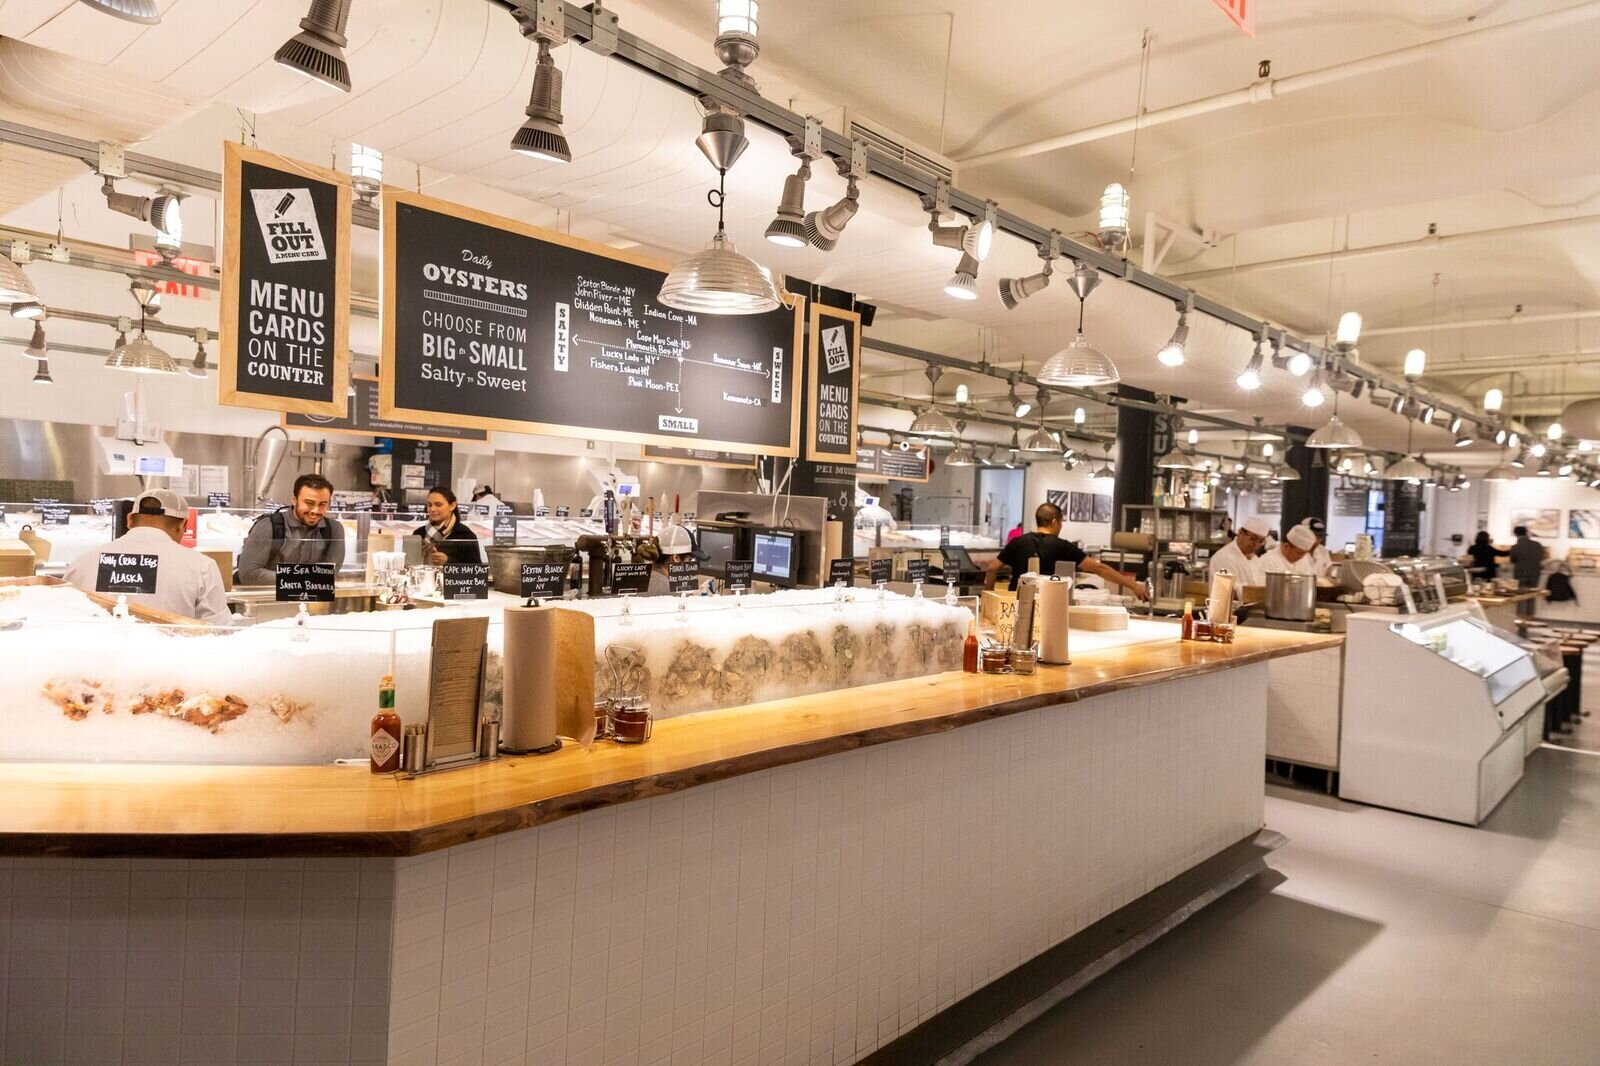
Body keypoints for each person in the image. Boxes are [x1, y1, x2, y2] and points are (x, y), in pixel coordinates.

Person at [65, 489, 231, 625]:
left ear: (129, 520)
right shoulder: (201, 567)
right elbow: (217, 630)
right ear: (183, 525)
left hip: (94, 662)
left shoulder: (83, 562)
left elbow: (62, 619)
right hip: (170, 663)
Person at [984, 501, 1149, 600]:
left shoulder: (1017, 542)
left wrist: (989, 596)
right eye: (1061, 523)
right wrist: (1133, 585)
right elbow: (1099, 568)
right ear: (1054, 522)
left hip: (1015, 604)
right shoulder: (1062, 546)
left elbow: (992, 568)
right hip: (1048, 605)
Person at [236, 473, 346, 586]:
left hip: (311, 600)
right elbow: (248, 574)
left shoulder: (334, 530)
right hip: (268, 600)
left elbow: (330, 574)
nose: (315, 510)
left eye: (322, 504)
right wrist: (304, 579)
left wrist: (295, 579)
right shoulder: (268, 526)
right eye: (309, 503)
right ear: (294, 500)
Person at [415, 486, 481, 566]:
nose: (432, 509)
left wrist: (448, 561)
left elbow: (477, 570)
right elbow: (409, 562)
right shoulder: (419, 533)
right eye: (429, 505)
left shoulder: (465, 535)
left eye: (438, 505)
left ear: (452, 506)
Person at [1208, 515, 1268, 588]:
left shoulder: (1255, 560)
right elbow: (1229, 590)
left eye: (1261, 541)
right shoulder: (1224, 557)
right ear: (1240, 533)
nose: (1256, 544)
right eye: (1253, 538)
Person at [642, 523, 700, 595]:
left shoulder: (648, 577)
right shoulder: (662, 586)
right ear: (676, 558)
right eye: (689, 560)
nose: (689, 565)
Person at [1509, 525, 1546, 618]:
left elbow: (1512, 560)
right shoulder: (1537, 545)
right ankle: (1530, 616)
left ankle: (1520, 617)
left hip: (1520, 574)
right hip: (1534, 573)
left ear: (1515, 534)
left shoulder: (1515, 547)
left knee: (1520, 596)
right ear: (1526, 532)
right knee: (1532, 595)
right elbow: (1541, 557)